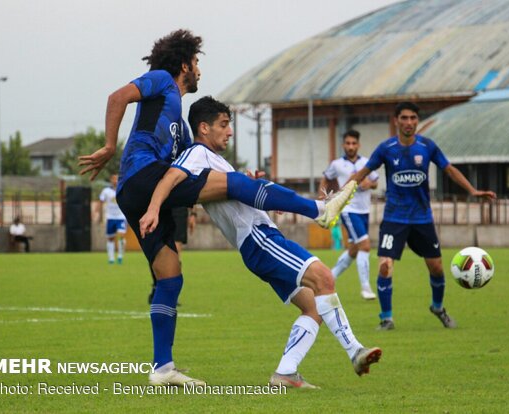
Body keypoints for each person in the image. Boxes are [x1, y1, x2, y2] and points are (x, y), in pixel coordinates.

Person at [78, 30, 356, 387]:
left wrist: (246, 185)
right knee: (234, 184)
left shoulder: (181, 129)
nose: (199, 70)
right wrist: (108, 146)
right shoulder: (161, 80)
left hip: (137, 193)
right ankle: (319, 210)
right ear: (184, 65)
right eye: (196, 63)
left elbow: (193, 169)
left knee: (170, 274)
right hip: (144, 176)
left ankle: (162, 368)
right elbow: (117, 97)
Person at [139, 96, 381, 388]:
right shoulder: (196, 153)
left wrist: (256, 190)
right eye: (224, 125)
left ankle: (285, 373)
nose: (230, 131)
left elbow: (234, 193)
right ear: (203, 127)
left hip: (258, 242)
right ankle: (355, 351)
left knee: (313, 307)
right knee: (324, 278)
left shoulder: (215, 161)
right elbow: (170, 176)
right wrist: (153, 208)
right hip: (259, 239)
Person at [352, 102, 497, 330]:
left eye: (413, 118)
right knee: (385, 266)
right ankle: (386, 318)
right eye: (404, 118)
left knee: (437, 268)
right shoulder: (386, 148)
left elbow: (449, 170)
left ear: (417, 121)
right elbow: (362, 173)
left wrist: (472, 190)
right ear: (396, 121)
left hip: (422, 218)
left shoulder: (427, 146)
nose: (409, 122)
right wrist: (339, 196)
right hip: (394, 218)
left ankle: (438, 307)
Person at [321, 130, 379, 300]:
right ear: (343, 145)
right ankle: (366, 288)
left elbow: (375, 182)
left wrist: (369, 184)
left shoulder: (366, 162)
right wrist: (322, 197)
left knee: (354, 250)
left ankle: (328, 278)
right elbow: (325, 178)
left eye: (354, 143)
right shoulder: (337, 164)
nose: (351, 146)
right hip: (348, 209)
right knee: (365, 245)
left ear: (358, 145)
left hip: (364, 210)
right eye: (348, 143)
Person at [147, 206, 196, 304]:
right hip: (160, 208)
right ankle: (157, 287)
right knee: (157, 252)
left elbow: (193, 196)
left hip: (179, 209)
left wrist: (193, 214)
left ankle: (171, 293)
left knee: (175, 254)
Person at [97, 174, 127, 264]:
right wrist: (99, 215)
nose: (115, 181)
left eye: (117, 179)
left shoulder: (123, 189)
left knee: (121, 235)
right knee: (110, 238)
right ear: (111, 180)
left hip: (121, 217)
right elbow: (101, 202)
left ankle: (120, 256)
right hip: (110, 217)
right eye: (114, 179)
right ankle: (111, 258)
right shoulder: (106, 191)